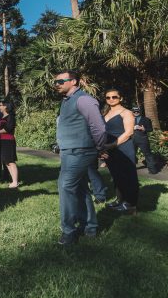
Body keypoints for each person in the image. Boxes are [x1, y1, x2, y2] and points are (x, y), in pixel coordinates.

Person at [53, 70, 107, 245]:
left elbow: (99, 127)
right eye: (55, 82)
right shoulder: (66, 100)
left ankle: (68, 231)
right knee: (81, 188)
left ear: (74, 81)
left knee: (65, 186)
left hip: (81, 151)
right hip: (70, 152)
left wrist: (98, 147)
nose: (57, 84)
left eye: (61, 81)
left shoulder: (84, 99)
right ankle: (90, 227)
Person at [102, 89, 139, 213]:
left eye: (114, 97)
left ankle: (130, 205)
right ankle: (119, 200)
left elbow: (129, 133)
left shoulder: (126, 112)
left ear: (121, 98)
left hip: (123, 147)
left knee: (128, 176)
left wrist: (112, 145)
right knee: (116, 176)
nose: (111, 99)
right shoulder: (104, 114)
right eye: (108, 97)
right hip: (110, 149)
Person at [0, 100, 20, 188]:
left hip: (8, 141)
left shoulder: (10, 117)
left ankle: (15, 181)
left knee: (10, 161)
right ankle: (13, 180)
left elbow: (8, 129)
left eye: (0, 105)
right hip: (2, 141)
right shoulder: (2, 116)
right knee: (6, 161)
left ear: (5, 107)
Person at [132, 106, 159, 174]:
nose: (136, 112)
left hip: (143, 139)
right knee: (131, 154)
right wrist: (132, 128)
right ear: (132, 112)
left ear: (140, 111)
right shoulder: (129, 119)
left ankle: (153, 170)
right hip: (131, 139)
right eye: (134, 111)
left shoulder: (146, 119)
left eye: (137, 111)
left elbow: (150, 129)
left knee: (148, 154)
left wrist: (144, 129)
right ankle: (132, 169)